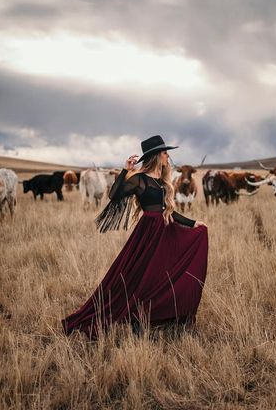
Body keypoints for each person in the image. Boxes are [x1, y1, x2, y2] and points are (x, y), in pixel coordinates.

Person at [62, 135, 208, 338]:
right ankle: (136, 318)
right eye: (165, 152)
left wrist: (193, 224)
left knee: (158, 275)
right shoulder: (139, 179)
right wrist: (125, 170)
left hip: (163, 231)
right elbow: (114, 195)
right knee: (137, 276)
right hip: (147, 232)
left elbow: (168, 211)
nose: (168, 156)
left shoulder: (162, 181)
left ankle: (155, 314)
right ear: (157, 155)